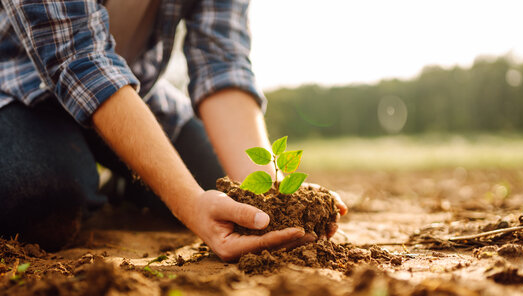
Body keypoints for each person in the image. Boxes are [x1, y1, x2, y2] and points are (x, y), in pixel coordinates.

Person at [0, 0, 347, 260]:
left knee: (223, 187)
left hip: (132, 92)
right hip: (19, 90)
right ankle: (86, 175)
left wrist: (270, 195)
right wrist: (188, 202)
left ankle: (128, 181)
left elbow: (222, 62)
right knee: (47, 196)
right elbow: (79, 61)